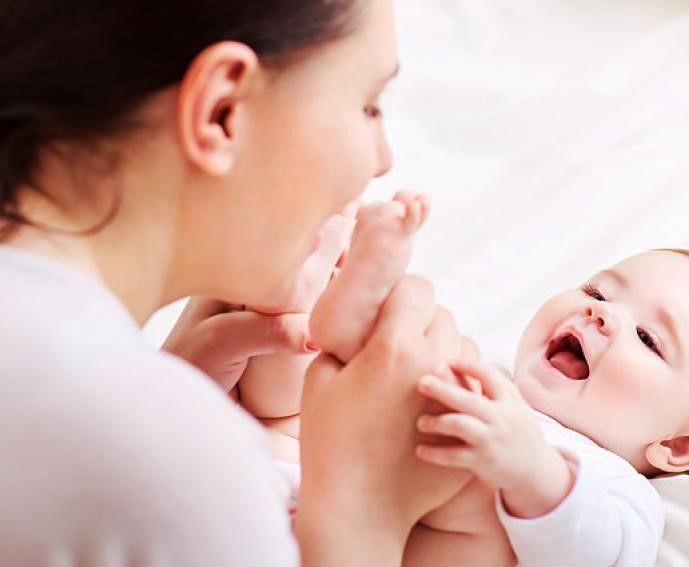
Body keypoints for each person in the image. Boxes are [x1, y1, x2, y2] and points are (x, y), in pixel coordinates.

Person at [0, 1, 477, 565]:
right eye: (368, 106)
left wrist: (159, 389)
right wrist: (362, 512)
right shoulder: (174, 461)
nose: (383, 160)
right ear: (222, 110)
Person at [241, 209, 689, 567]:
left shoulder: (615, 488)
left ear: (678, 446)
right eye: (597, 290)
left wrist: (529, 468)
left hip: (364, 543)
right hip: (280, 485)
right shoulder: (485, 370)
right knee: (288, 394)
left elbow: (597, 555)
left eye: (647, 338)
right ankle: (324, 305)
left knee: (474, 491)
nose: (602, 311)